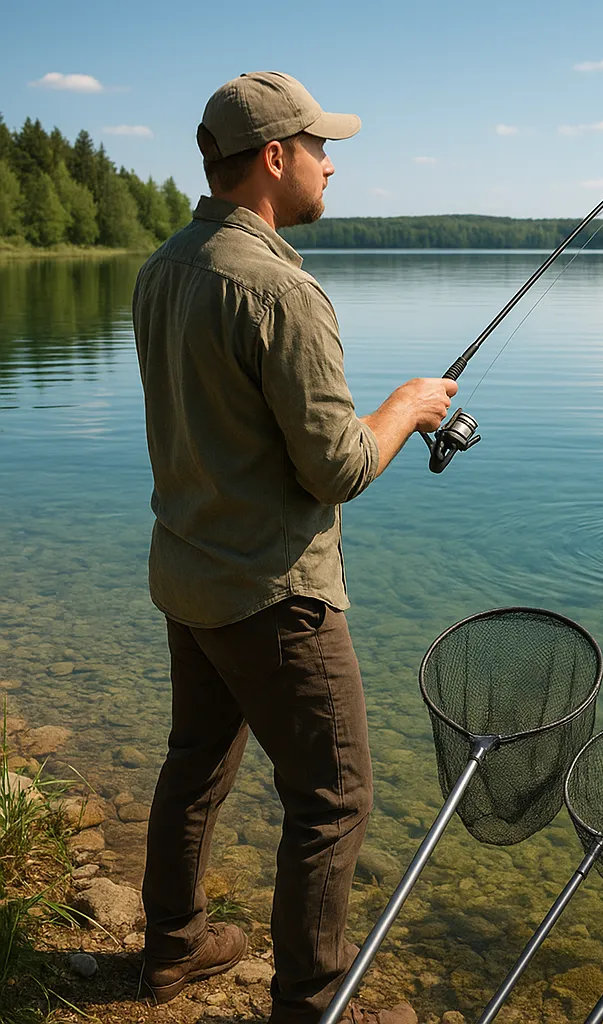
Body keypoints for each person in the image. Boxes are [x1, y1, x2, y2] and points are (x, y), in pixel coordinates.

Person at [132, 71, 458, 1023]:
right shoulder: (284, 290)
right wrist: (407, 406)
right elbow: (337, 470)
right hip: (275, 597)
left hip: (188, 575)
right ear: (275, 159)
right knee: (336, 797)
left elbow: (236, 432)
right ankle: (312, 1001)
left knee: (194, 765)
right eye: (323, 148)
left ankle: (173, 948)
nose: (331, 166)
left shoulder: (163, 270)